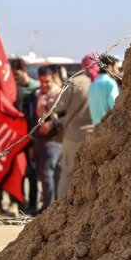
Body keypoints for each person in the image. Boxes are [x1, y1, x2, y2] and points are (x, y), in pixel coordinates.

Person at [55, 60, 93, 198]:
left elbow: (59, 106)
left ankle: (62, 208)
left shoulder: (77, 81)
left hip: (74, 134)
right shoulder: (105, 81)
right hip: (97, 133)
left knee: (67, 171)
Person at [9, 58, 39, 215]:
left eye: (16, 73)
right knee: (18, 170)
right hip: (17, 137)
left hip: (33, 137)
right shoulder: (14, 90)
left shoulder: (36, 88)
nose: (15, 77)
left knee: (32, 171)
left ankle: (33, 203)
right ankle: (20, 203)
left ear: (24, 70)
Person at [33, 66, 62, 211]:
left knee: (48, 172)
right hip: (41, 140)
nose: (44, 85)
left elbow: (66, 117)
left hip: (56, 139)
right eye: (41, 82)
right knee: (47, 174)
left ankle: (49, 208)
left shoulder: (60, 94)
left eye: (47, 82)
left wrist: (52, 124)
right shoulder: (38, 95)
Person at [88, 54, 121, 125]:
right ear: (109, 67)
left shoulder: (93, 84)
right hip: (108, 125)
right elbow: (114, 106)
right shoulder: (110, 83)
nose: (117, 71)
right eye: (116, 67)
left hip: (96, 126)